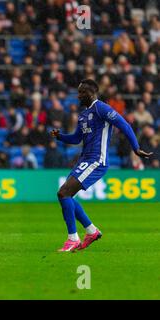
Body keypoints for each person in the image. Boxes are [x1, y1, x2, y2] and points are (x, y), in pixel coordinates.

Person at [50, 79, 152, 252]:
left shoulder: (101, 108)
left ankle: (72, 239)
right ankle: (91, 231)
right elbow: (76, 139)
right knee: (66, 195)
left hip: (96, 160)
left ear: (90, 93)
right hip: (85, 159)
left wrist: (136, 148)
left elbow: (124, 125)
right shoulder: (83, 115)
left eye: (81, 92)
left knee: (64, 193)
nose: (78, 95)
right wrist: (60, 136)